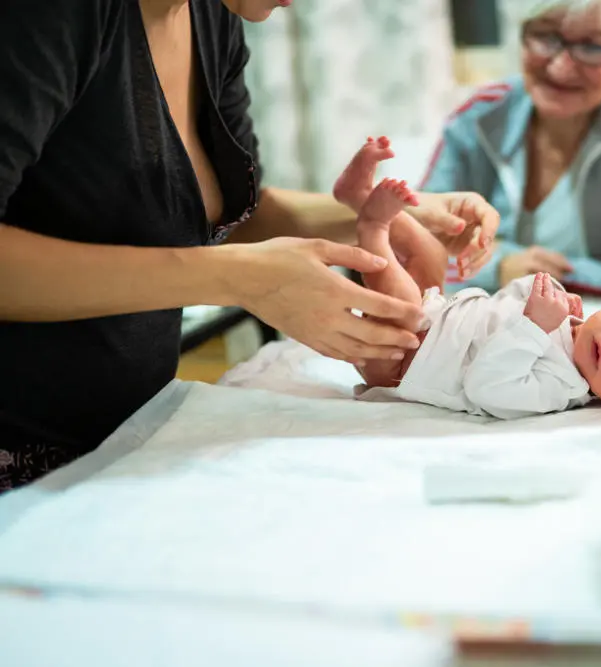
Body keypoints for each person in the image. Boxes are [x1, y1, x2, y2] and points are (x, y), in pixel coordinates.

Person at [0, 0, 500, 490]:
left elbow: (226, 215)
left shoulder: (212, 15)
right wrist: (237, 277)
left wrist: (384, 215)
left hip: (127, 438)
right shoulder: (44, 15)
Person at [337, 137, 601, 420]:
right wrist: (541, 292)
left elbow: (486, 387)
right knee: (430, 252)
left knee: (402, 305)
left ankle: (373, 224)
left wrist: (535, 327)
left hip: (404, 362)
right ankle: (357, 197)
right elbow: (503, 304)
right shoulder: (566, 322)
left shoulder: (560, 388)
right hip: (439, 315)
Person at [420, 0, 601, 298]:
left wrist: (533, 277)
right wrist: (500, 267)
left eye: (592, 46)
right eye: (545, 37)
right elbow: (416, 239)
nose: (561, 66)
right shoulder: (479, 115)